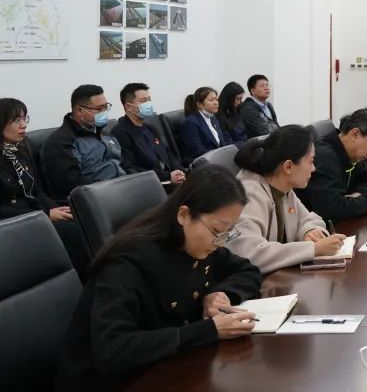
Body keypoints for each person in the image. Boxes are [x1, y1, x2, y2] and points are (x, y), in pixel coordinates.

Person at [55, 165, 263, 391]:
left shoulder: (199, 244)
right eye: (216, 231)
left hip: (169, 367)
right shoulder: (127, 262)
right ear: (184, 215)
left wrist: (218, 294)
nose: (220, 242)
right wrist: (208, 331)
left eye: (227, 233)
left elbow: (248, 271)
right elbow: (113, 350)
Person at [228, 125, 345, 273]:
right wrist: (314, 249)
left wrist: (310, 231)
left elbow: (308, 218)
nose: (314, 168)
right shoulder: (249, 195)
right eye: (310, 161)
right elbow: (250, 254)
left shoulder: (282, 185)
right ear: (288, 166)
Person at [0, 97, 90, 276]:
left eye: (25, 118)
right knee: (73, 233)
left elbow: (37, 190)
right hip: (13, 222)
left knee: (83, 218)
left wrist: (55, 209)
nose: (23, 125)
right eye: (16, 120)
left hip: (36, 213)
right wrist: (44, 215)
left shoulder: (22, 148)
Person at [298, 108, 367, 222]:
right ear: (355, 134)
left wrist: (359, 195)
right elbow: (330, 210)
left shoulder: (349, 153)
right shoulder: (325, 157)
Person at [43, 84, 126, 199]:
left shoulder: (105, 134)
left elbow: (123, 164)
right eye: (99, 109)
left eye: (106, 107)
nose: (104, 112)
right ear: (80, 111)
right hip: (96, 197)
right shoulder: (62, 142)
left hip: (122, 189)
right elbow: (73, 185)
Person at [113, 83, 185, 185]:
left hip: (171, 179)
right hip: (151, 184)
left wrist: (179, 170)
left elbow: (168, 154)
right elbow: (131, 169)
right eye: (143, 101)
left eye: (149, 99)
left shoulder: (150, 128)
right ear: (128, 107)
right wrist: (167, 176)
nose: (148, 104)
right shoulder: (120, 133)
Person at [179, 87, 227, 164]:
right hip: (201, 162)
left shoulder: (213, 118)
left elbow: (222, 141)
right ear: (199, 104)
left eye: (216, 99)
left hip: (217, 157)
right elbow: (197, 151)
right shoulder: (190, 123)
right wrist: (219, 156)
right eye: (211, 100)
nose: (216, 103)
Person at [216, 81, 248, 146]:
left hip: (243, 144)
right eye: (238, 99)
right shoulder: (217, 114)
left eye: (241, 99)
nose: (239, 102)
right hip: (233, 147)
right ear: (229, 98)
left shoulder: (237, 109)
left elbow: (244, 132)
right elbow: (226, 140)